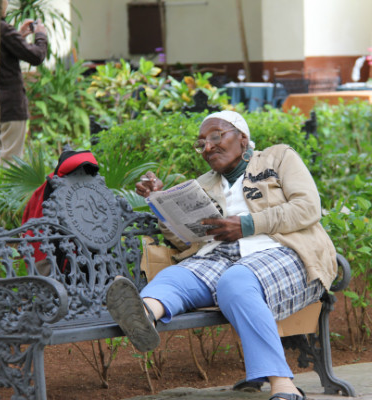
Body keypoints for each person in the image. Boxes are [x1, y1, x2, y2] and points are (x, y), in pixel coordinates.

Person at [106, 110, 337, 400]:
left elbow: (308, 207)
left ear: (243, 139)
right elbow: (187, 241)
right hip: (218, 255)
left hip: (282, 250)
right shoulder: (203, 184)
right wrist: (159, 204)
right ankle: (143, 315)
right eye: (201, 143)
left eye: (216, 136)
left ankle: (283, 384)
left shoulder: (278, 158)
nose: (208, 146)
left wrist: (247, 224)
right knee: (174, 277)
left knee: (236, 282)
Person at [0, 0, 47, 165]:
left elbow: (3, 57)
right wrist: (40, 35)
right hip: (11, 106)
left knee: (0, 156)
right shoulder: (2, 29)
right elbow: (36, 56)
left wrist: (19, 36)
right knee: (10, 161)